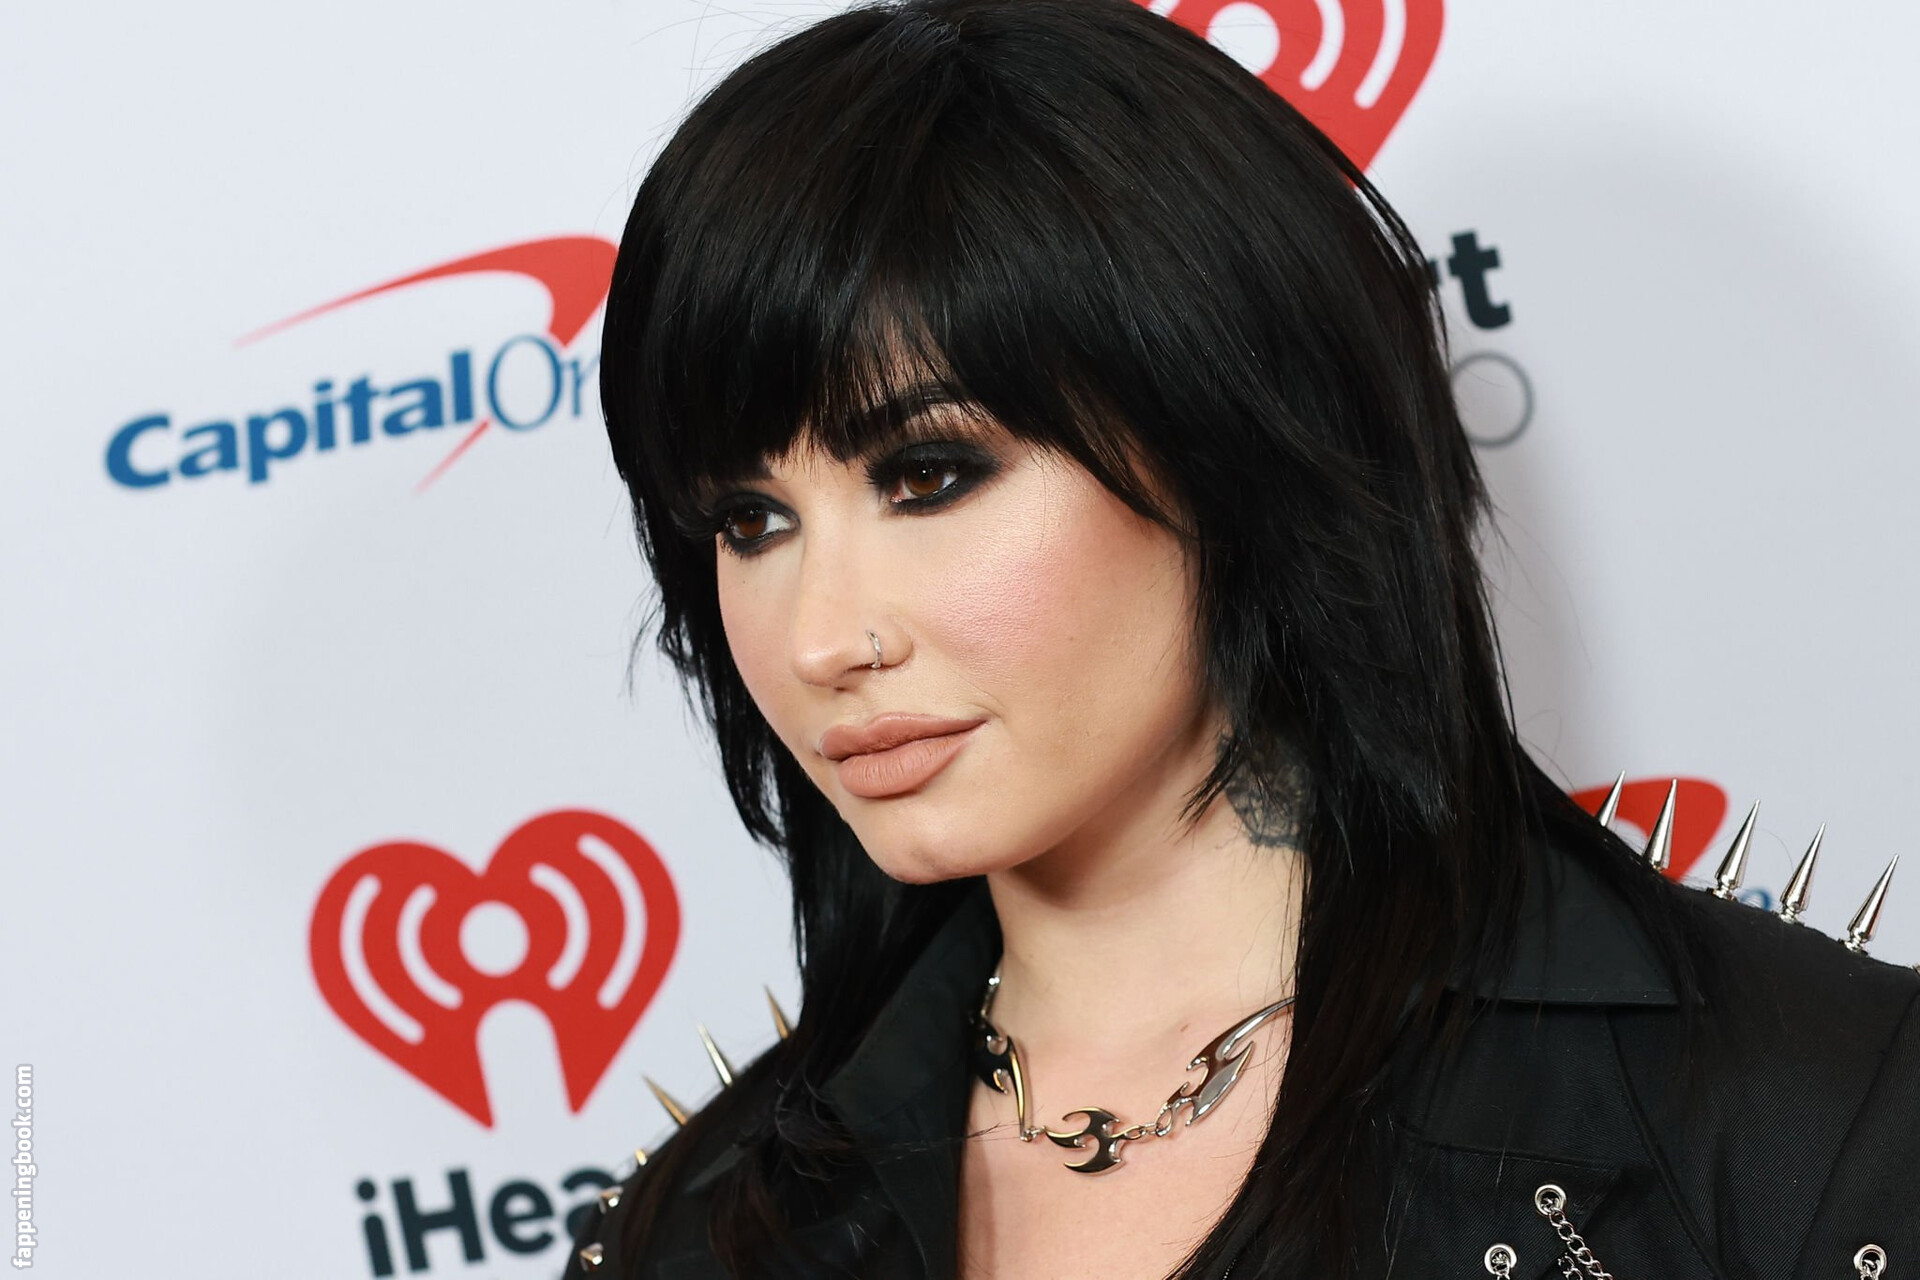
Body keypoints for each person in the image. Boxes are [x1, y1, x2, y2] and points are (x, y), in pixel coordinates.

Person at [564, 1, 1920, 1276]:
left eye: (929, 476)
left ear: (1229, 447)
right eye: (750, 520)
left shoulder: (1809, 1119)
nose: (819, 640)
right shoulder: (691, 1231)